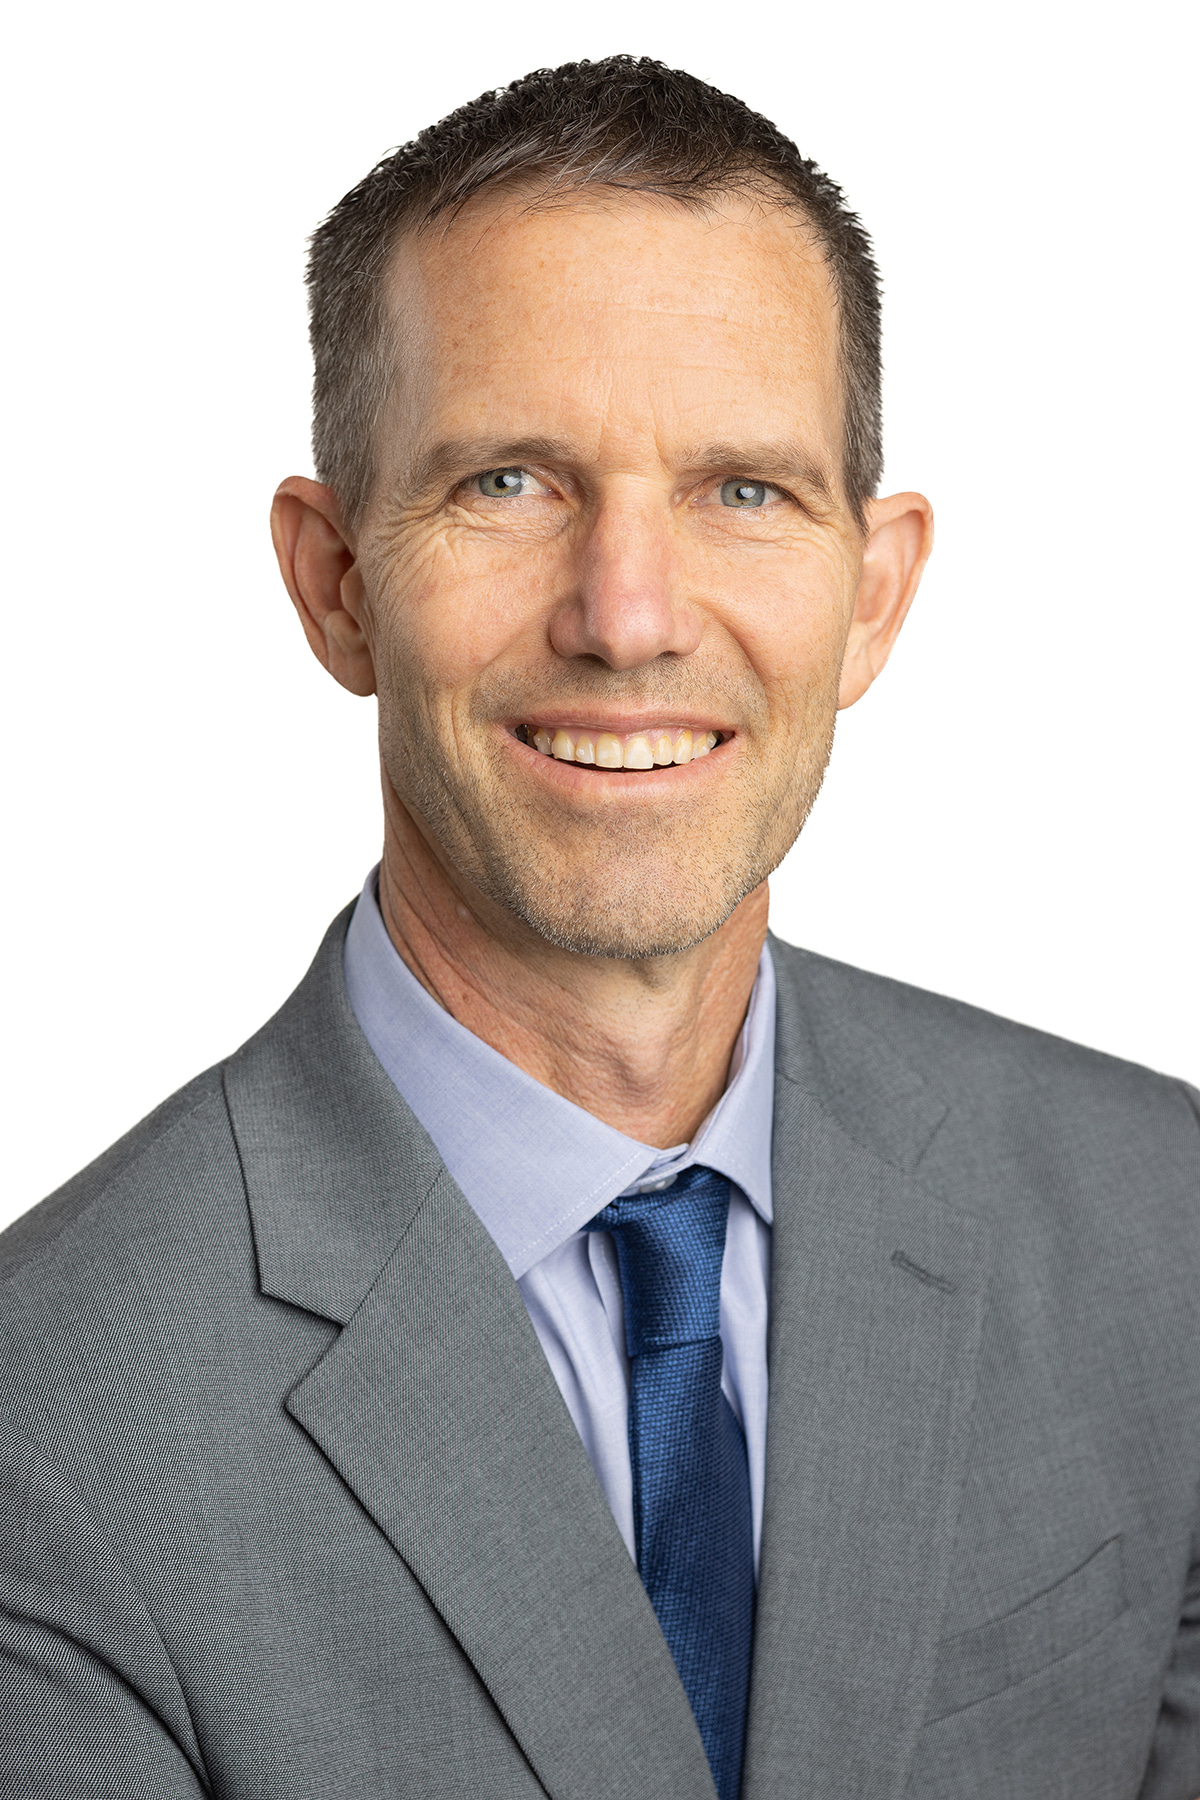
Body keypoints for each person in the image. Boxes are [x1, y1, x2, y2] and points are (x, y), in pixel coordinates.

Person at [1, 53, 1197, 1800]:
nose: (628, 618)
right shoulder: (50, 1434)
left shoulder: (1161, 1224)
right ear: (336, 584)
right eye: (509, 483)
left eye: (744, 490)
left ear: (873, 597)